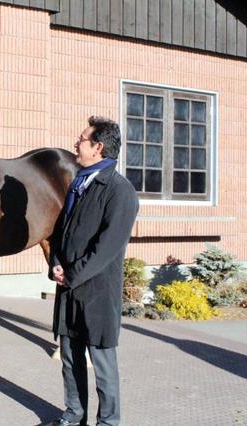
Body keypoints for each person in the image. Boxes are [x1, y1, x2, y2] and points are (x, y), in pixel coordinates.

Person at [48, 116, 139, 426]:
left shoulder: (119, 191)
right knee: (70, 360)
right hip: (69, 289)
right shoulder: (79, 182)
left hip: (97, 293)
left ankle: (108, 423)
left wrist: (71, 274)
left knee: (102, 364)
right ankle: (74, 417)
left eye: (82, 138)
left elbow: (107, 247)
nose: (77, 142)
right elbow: (60, 230)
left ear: (98, 147)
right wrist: (56, 262)